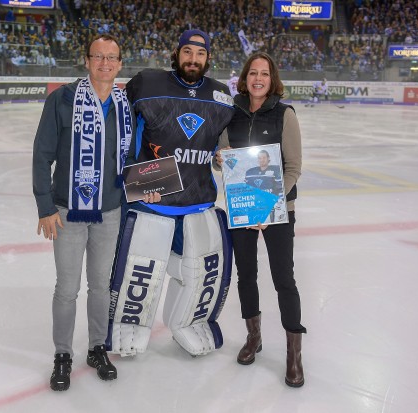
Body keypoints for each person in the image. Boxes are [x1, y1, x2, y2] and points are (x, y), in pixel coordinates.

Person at [106, 29, 235, 358]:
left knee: (199, 270)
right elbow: (120, 133)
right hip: (152, 200)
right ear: (176, 53)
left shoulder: (221, 95)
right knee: (142, 268)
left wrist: (224, 157)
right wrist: (131, 180)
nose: (194, 59)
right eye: (188, 52)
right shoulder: (146, 84)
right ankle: (129, 323)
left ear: (208, 58)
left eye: (201, 53)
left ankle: (191, 322)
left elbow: (223, 142)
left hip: (198, 202)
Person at [32, 34, 134, 391]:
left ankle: (97, 347)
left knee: (102, 286)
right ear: (87, 60)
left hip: (110, 211)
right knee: (67, 288)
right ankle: (63, 354)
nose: (105, 63)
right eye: (98, 56)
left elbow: (133, 158)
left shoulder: (126, 104)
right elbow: (42, 154)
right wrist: (45, 206)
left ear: (120, 63)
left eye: (112, 57)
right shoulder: (63, 98)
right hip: (67, 210)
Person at [215, 51, 306, 387]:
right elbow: (220, 160)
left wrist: (270, 205)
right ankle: (254, 337)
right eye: (252, 72)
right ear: (244, 77)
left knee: (284, 278)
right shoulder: (232, 113)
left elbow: (293, 167)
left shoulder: (285, 114)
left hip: (278, 212)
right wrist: (219, 158)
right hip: (241, 208)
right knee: (246, 275)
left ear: (272, 79)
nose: (257, 79)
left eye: (264, 74)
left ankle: (294, 353)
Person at [244, 149, 284, 223]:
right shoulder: (250, 172)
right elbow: (248, 189)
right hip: (258, 204)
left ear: (268, 158)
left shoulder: (276, 170)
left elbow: (281, 188)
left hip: (273, 203)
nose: (261, 160)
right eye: (259, 158)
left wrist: (280, 200)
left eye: (264, 157)